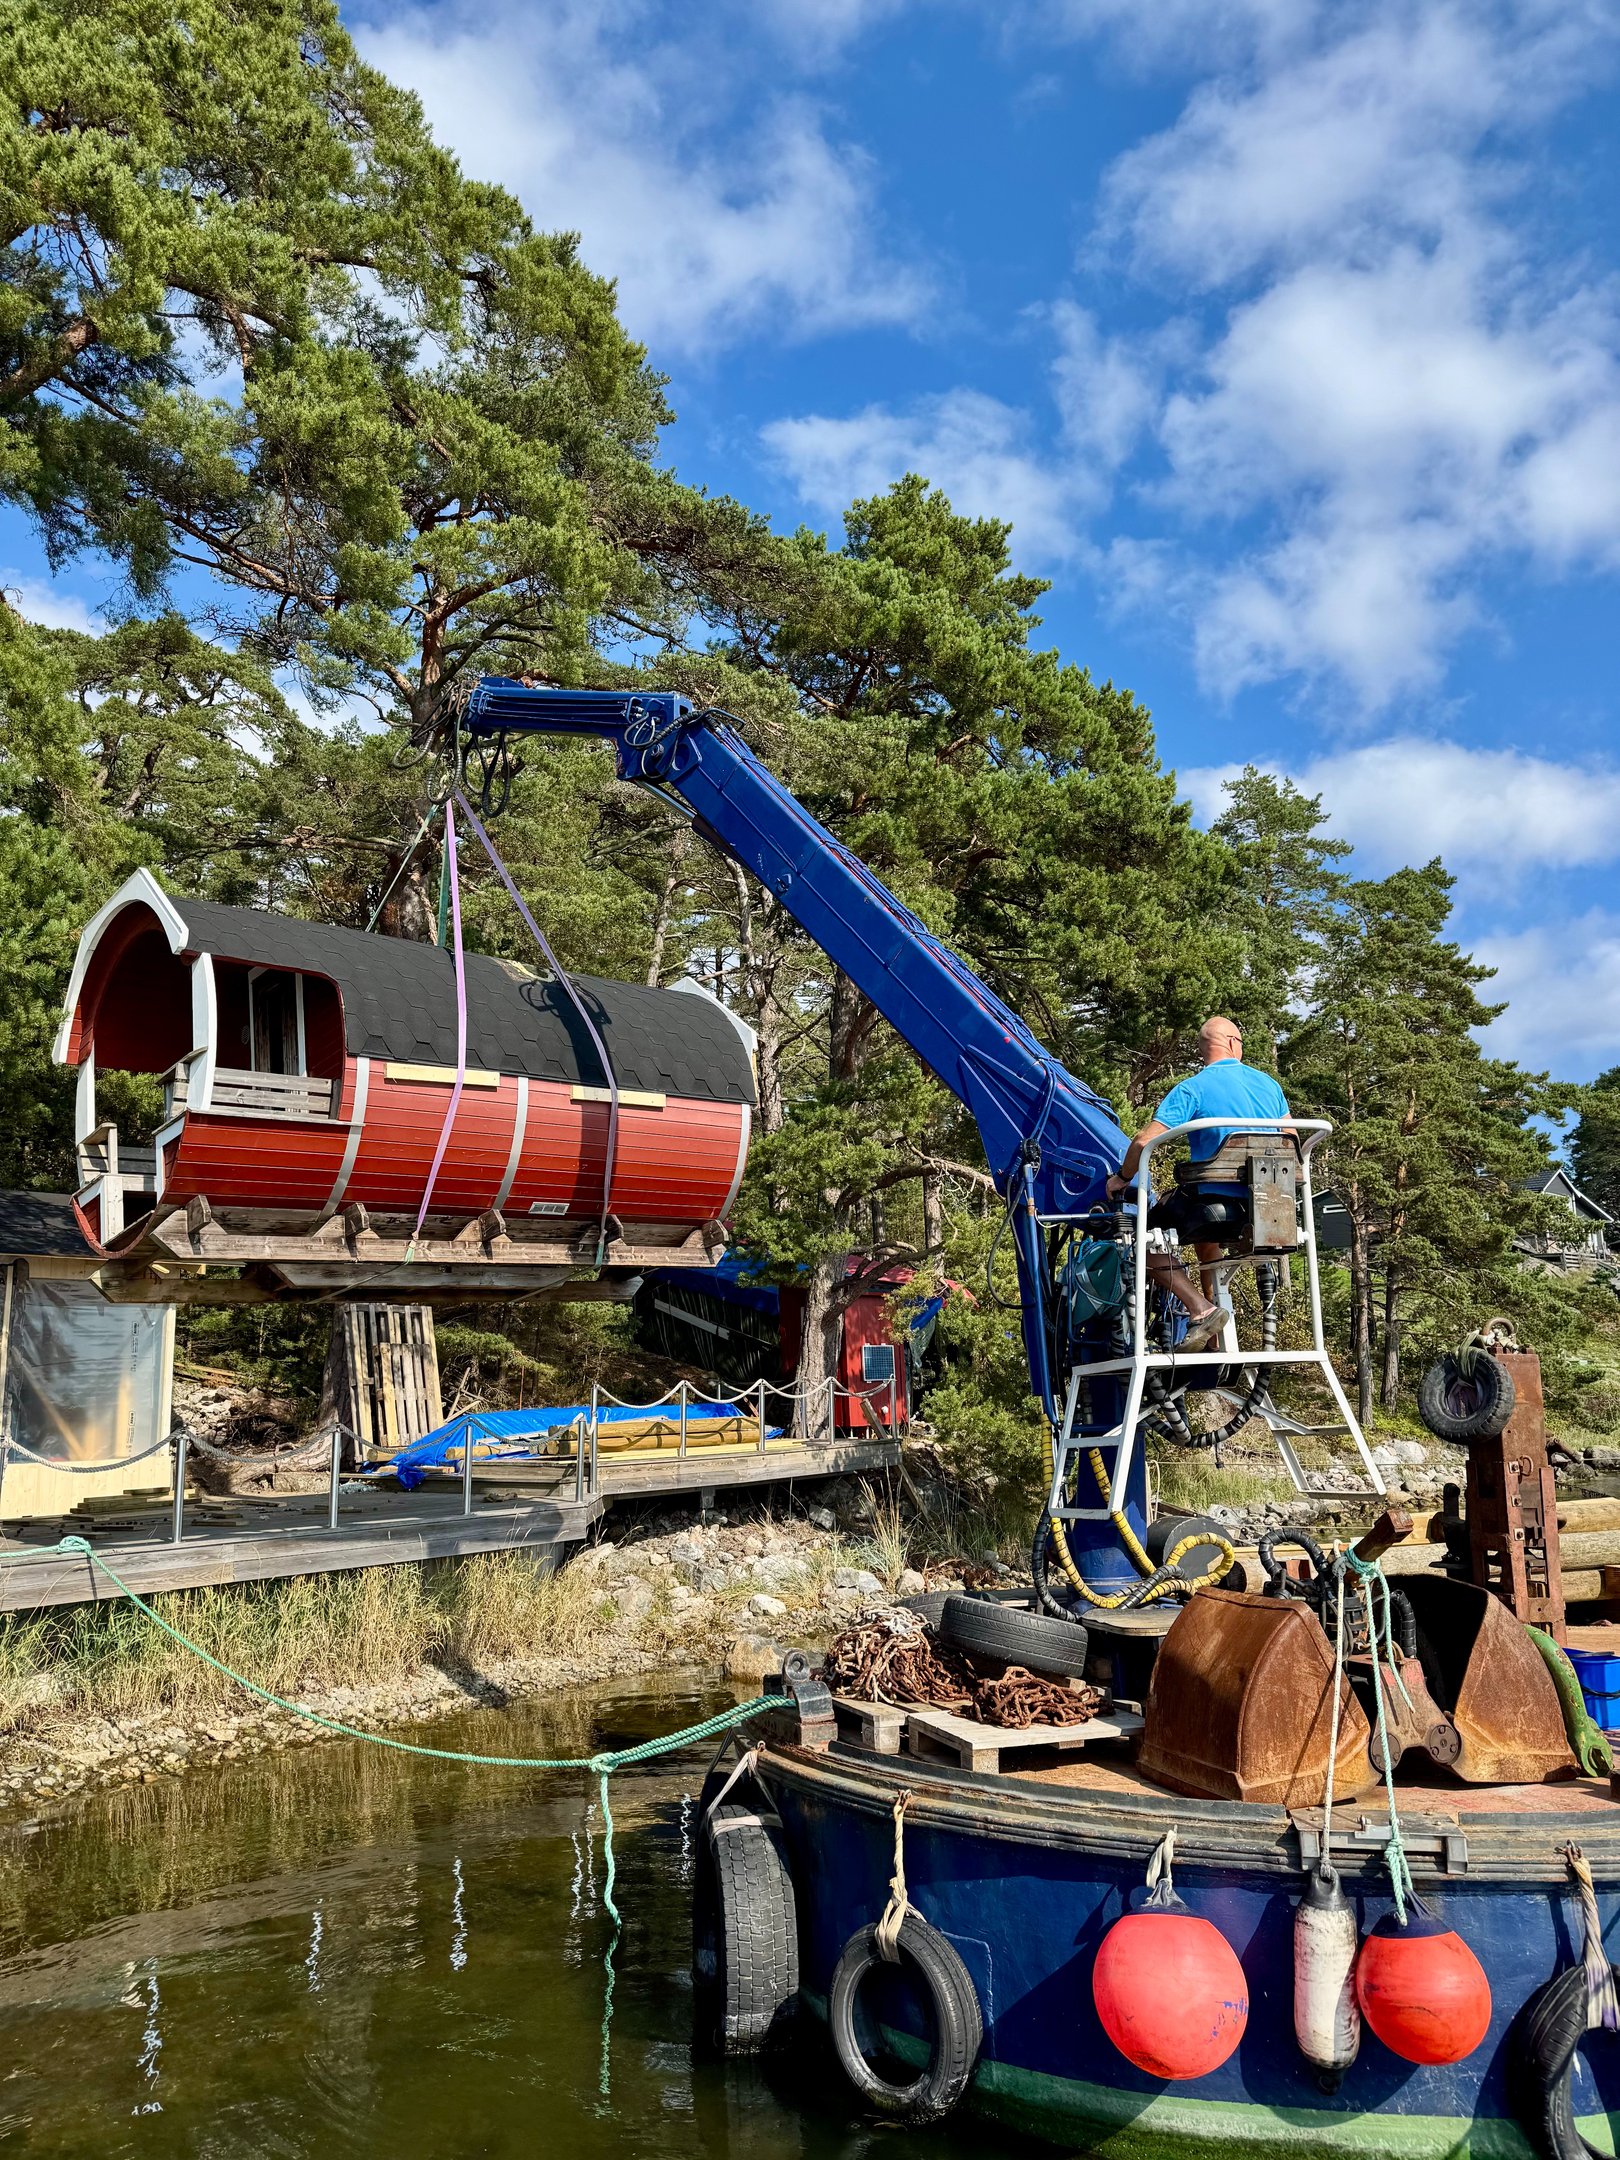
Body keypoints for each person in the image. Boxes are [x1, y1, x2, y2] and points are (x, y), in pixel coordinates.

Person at [1104, 1017, 1291, 1351]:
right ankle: (1213, 1337)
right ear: (1233, 1043)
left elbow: (1143, 1141)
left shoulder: (1193, 1088)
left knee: (1136, 1239)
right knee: (1205, 1240)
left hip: (1214, 1207)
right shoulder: (1269, 1086)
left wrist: (1122, 1178)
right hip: (1269, 1208)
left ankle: (1200, 1308)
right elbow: (1291, 1140)